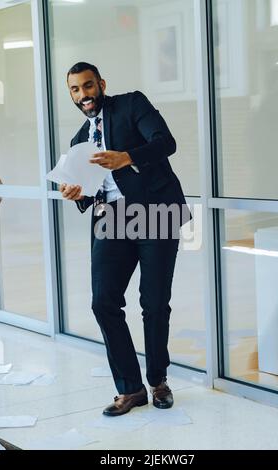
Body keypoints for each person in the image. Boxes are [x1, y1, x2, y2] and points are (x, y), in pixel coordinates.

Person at [60, 62, 191, 417]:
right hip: (111, 219)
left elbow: (166, 143)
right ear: (71, 94)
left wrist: (126, 157)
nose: (84, 95)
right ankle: (130, 389)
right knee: (103, 302)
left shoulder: (132, 104)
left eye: (88, 86)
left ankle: (158, 380)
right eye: (76, 90)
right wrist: (76, 194)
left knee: (154, 302)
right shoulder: (78, 143)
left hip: (156, 212)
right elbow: (88, 195)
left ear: (100, 84)